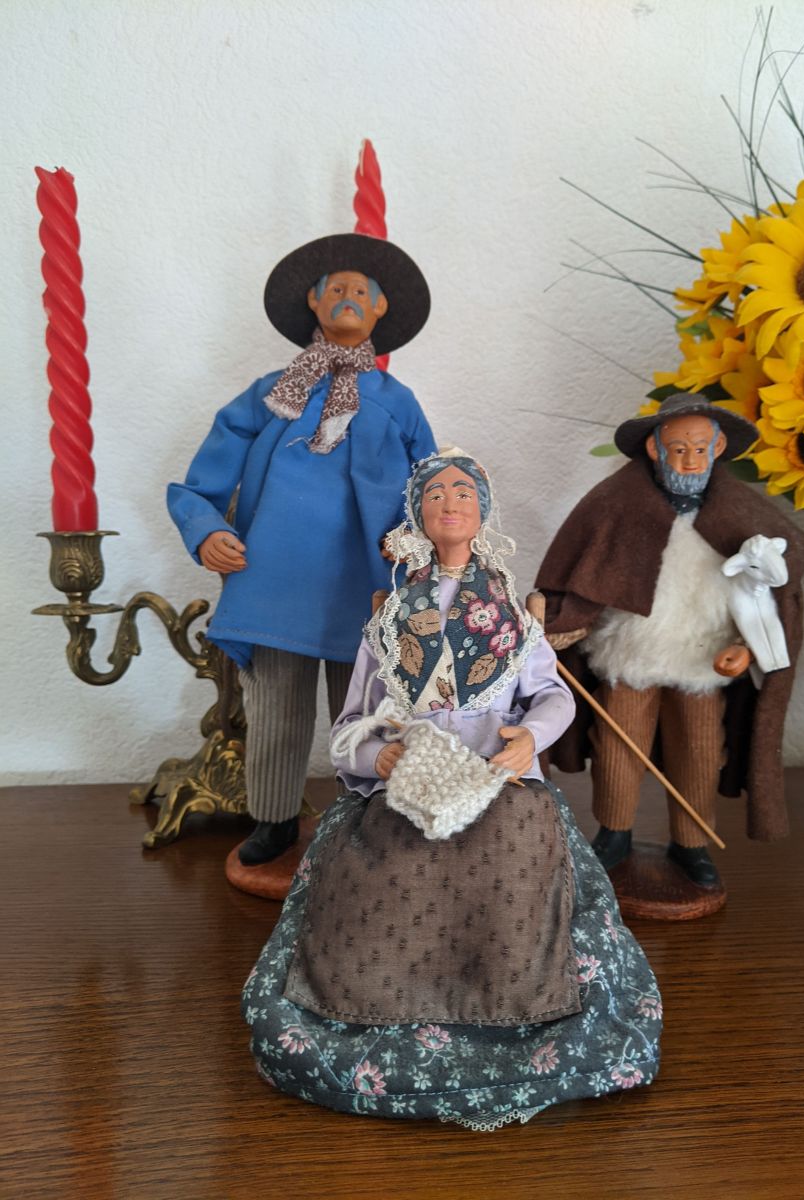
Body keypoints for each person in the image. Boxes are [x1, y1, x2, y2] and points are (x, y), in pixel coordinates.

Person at [242, 450, 662, 1128]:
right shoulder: (390, 616)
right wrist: (379, 757)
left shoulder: (512, 614)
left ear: (482, 512)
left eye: (463, 492)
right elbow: (350, 723)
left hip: (499, 781)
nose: (449, 504)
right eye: (434, 494)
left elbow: (552, 695)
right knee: (379, 869)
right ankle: (368, 1011)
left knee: (516, 859)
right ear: (417, 515)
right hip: (409, 785)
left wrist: (529, 738)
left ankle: (519, 1012)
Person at [168, 233, 436, 865]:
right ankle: (273, 818)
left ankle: (366, 814)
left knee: (366, 707)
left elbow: (429, 484)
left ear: (380, 308)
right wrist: (206, 530)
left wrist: (423, 546)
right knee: (276, 708)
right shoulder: (272, 394)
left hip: (367, 583)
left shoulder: (397, 403)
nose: (348, 297)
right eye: (335, 288)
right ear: (313, 303)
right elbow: (200, 483)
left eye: (361, 291)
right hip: (275, 579)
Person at [536, 393, 804, 889]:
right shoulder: (615, 503)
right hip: (630, 654)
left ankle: (691, 842)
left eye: (700, 449)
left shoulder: (743, 515)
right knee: (618, 747)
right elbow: (577, 575)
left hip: (705, 659)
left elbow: (767, 593)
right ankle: (614, 833)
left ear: (718, 448)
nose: (689, 460)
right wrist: (561, 623)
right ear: (654, 448)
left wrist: (746, 647)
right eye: (679, 449)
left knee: (700, 751)